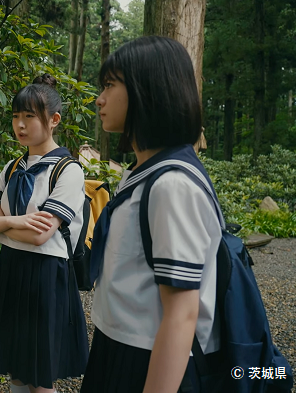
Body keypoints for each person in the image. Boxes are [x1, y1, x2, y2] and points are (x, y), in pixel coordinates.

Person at [80, 36, 223, 392]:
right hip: (119, 346)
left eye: (110, 85)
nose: (99, 99)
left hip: (149, 359)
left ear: (149, 90)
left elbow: (181, 314)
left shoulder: (172, 185)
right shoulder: (144, 173)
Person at [0, 73, 89, 393]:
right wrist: (19, 222)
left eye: (29, 117)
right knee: (15, 370)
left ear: (53, 120)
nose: (20, 125)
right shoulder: (12, 167)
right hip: (12, 268)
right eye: (15, 116)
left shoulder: (68, 171)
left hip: (45, 275)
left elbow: (40, 237)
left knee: (39, 377)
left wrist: (3, 221)